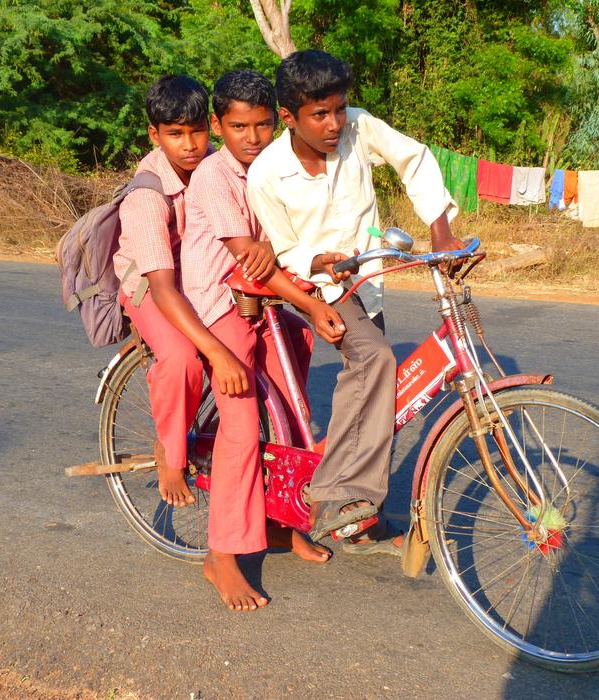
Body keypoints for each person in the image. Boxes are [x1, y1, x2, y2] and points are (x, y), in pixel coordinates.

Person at [247, 50, 463, 554]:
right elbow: (282, 249)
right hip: (314, 284)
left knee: (380, 389)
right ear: (289, 117)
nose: (333, 123)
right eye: (319, 114)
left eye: (339, 109)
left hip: (366, 277)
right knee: (374, 359)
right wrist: (317, 260)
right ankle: (337, 494)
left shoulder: (360, 129)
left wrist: (440, 228)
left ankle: (364, 517)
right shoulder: (267, 173)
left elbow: (415, 158)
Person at [181, 70, 348, 610]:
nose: (251, 138)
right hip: (219, 305)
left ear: (276, 121)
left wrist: (300, 257)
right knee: (240, 425)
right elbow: (244, 252)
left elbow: (286, 240)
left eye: (261, 125)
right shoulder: (214, 175)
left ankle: (279, 520)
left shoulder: (275, 166)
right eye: (237, 127)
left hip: (266, 298)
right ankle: (222, 555)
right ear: (218, 126)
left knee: (294, 406)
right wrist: (302, 290)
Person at [112, 75, 211, 510]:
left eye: (197, 131)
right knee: (182, 357)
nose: (190, 144)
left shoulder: (216, 166)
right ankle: (169, 452)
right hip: (151, 285)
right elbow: (160, 284)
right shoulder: (147, 196)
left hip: (198, 274)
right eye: (175, 134)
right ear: (155, 135)